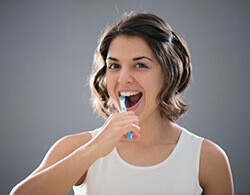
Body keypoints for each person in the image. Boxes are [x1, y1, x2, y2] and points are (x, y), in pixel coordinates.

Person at [10, 12, 234, 195]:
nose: (122, 78)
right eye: (114, 66)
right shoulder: (76, 148)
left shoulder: (207, 158)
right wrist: (95, 149)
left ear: (169, 74)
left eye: (140, 65)